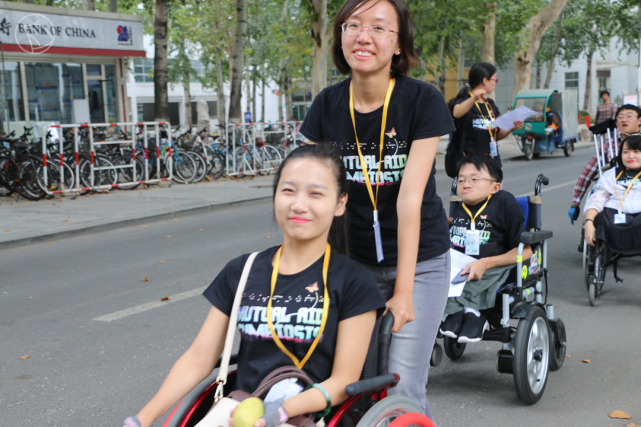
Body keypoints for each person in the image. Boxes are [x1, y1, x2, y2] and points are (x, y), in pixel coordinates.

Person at [122, 145, 386, 427]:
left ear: (340, 203)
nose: (298, 204)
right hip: (239, 411)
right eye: (288, 191)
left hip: (307, 415)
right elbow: (199, 358)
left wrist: (280, 412)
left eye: (315, 193)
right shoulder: (243, 270)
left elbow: (344, 380)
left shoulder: (353, 282)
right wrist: (142, 419)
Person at [299, 0, 454, 419]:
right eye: (353, 25)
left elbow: (409, 198)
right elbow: (314, 200)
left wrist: (403, 292)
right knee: (352, 385)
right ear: (340, 36)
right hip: (355, 263)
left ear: (399, 44)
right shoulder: (326, 107)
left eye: (379, 28)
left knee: (401, 387)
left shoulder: (422, 101)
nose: (363, 36)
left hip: (420, 263)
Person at [440, 154, 532, 342]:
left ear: (495, 187)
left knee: (476, 275)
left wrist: (485, 263)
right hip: (458, 264)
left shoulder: (503, 201)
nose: (466, 184)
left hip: (495, 264)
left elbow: (527, 250)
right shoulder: (461, 207)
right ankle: (455, 313)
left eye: (474, 179)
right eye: (461, 180)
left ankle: (475, 314)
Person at [568, 104, 641, 224]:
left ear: (639, 120)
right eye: (620, 117)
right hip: (613, 188)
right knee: (596, 198)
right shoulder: (608, 144)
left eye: (629, 116)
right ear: (616, 123)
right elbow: (588, 172)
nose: (624, 119)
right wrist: (575, 202)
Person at [446, 62, 524, 166]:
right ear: (485, 80)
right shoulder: (464, 101)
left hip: (492, 164)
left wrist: (511, 127)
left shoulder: (490, 103)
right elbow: (457, 113)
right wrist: (474, 98)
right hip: (470, 165)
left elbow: (496, 135)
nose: (496, 83)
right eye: (495, 79)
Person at [583, 135, 641, 255]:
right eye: (626, 152)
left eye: (636, 151)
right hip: (614, 218)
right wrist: (588, 222)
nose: (630, 156)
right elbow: (596, 199)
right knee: (600, 218)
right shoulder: (610, 175)